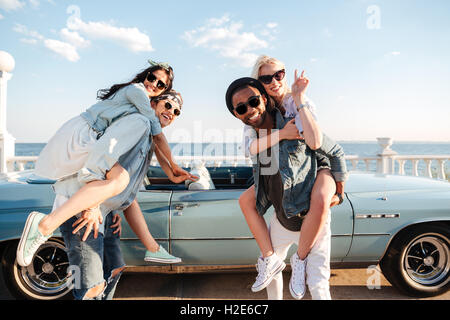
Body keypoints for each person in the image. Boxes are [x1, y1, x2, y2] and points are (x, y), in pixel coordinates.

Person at [16, 61, 196, 267]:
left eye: (177, 111)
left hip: (91, 146)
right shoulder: (140, 112)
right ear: (154, 101)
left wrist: (172, 172)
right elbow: (111, 151)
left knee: (123, 184)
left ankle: (152, 247)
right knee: (120, 181)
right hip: (83, 135)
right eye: (152, 78)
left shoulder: (140, 122)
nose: (154, 84)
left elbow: (155, 146)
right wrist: (94, 203)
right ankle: (44, 225)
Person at [225, 76, 348, 300]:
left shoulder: (295, 122)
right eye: (242, 108)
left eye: (253, 102)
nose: (250, 110)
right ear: (237, 114)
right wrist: (280, 136)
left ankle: (298, 261)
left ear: (263, 98)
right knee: (272, 278)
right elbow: (258, 162)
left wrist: (338, 190)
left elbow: (332, 150)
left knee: (318, 284)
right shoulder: (257, 137)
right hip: (282, 220)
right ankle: (270, 260)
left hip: (312, 220)